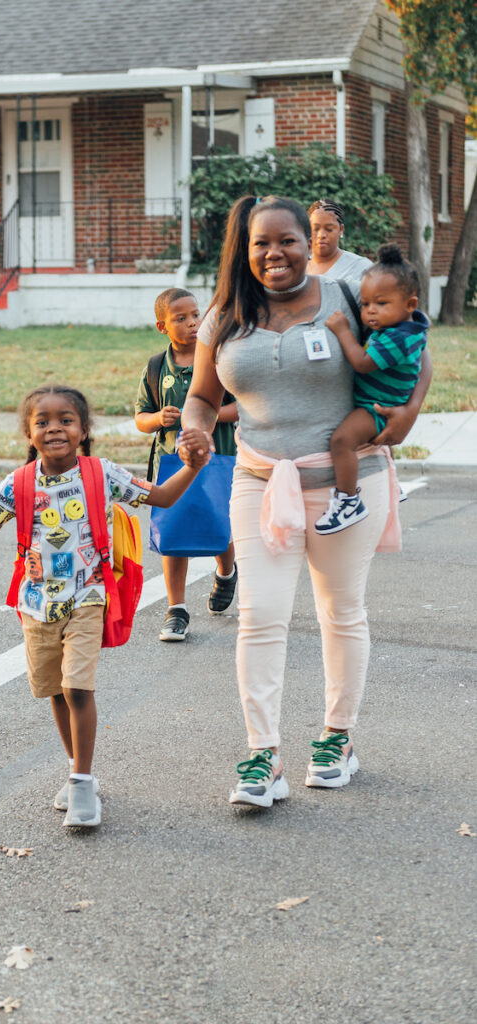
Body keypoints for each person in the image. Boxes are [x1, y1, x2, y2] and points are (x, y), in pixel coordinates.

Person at [178, 195, 431, 809]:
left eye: (287, 240)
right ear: (246, 249)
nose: (275, 253)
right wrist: (195, 427)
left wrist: (407, 415)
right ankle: (263, 752)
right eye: (262, 243)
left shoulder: (346, 298)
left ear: (308, 242)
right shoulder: (224, 316)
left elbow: (419, 357)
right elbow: (203, 397)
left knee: (340, 613)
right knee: (260, 616)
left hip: (349, 480)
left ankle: (336, 739)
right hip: (261, 481)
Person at [0, 384, 207, 828]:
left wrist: (192, 467)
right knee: (55, 689)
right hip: (35, 605)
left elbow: (162, 497)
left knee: (77, 687)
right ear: (29, 433)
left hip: (88, 597)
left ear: (83, 429)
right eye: (43, 422)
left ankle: (81, 781)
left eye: (66, 420)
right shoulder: (18, 484)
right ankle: (78, 770)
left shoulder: (100, 473)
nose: (55, 428)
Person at [135, 287, 238, 641]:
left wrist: (207, 415)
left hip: (219, 455)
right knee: (172, 531)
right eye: (181, 318)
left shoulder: (218, 358)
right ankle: (176, 609)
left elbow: (240, 407)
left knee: (219, 523)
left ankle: (226, 572)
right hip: (170, 464)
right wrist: (158, 419)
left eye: (196, 315)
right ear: (162, 326)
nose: (193, 323)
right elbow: (139, 418)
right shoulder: (154, 367)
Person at [316, 245, 430, 534]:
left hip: (377, 409)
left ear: (410, 304)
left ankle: (348, 500)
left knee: (341, 442)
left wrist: (342, 331)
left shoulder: (397, 338)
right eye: (365, 304)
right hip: (378, 402)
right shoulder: (407, 329)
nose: (370, 312)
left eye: (381, 303)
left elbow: (363, 363)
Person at [307, 198, 372, 288]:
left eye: (329, 229)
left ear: (341, 230)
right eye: (315, 229)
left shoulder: (361, 268)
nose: (321, 235)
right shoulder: (297, 268)